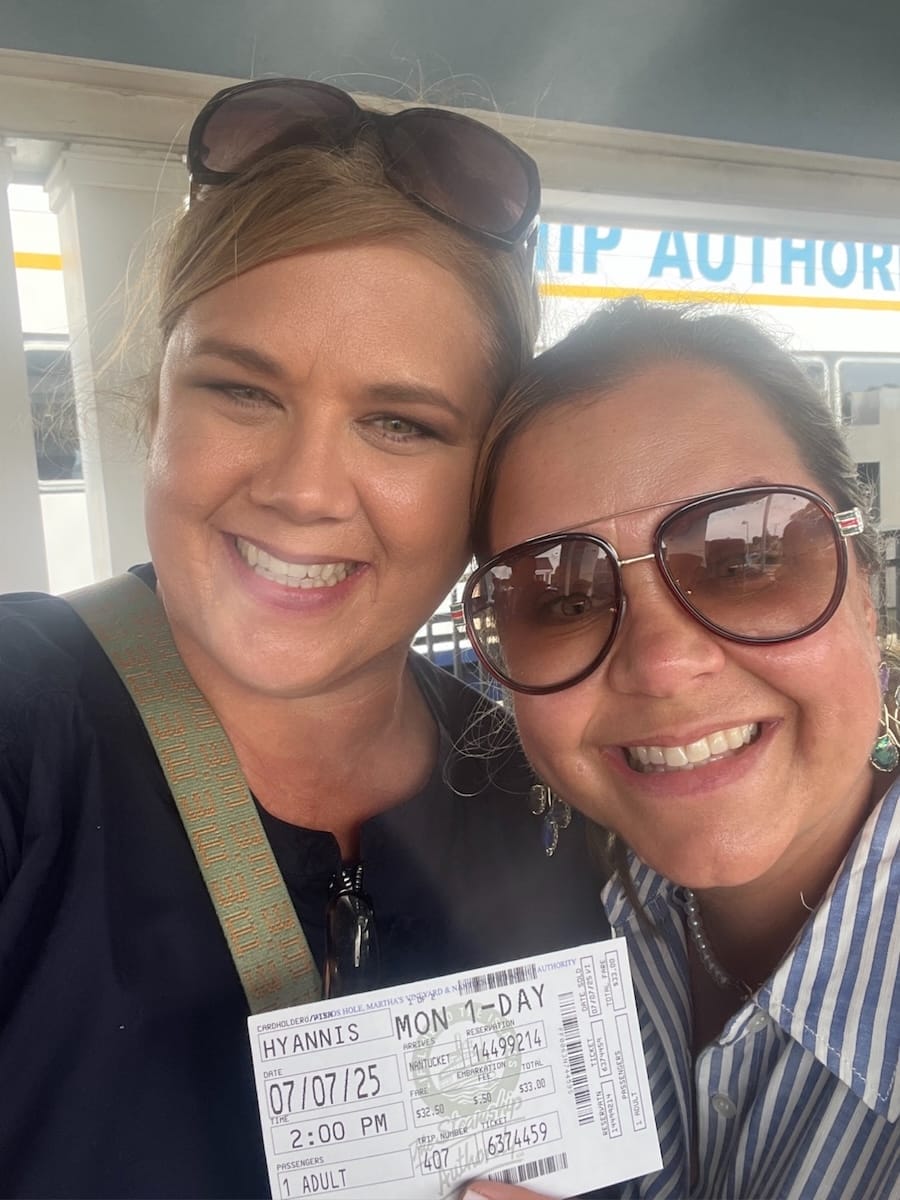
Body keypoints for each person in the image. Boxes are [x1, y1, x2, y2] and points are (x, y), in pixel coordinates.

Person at [0, 79, 609, 1199]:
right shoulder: (25, 723)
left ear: (486, 482)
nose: (302, 490)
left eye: (399, 423)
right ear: (157, 406)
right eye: (242, 390)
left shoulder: (543, 796)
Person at [459, 299, 899, 1200]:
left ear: (866, 589)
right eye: (563, 597)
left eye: (746, 558)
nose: (662, 665)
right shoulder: (558, 931)